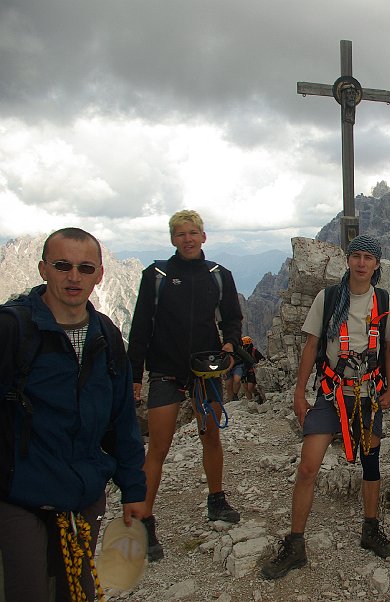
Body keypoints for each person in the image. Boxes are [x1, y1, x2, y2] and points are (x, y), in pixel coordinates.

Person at [0, 228, 147, 601]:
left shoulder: (107, 336)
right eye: (63, 265)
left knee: (77, 591)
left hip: (81, 494)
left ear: (99, 274)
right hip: (19, 494)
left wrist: (133, 489)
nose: (73, 277)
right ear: (42, 269)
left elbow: (121, 422)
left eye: (85, 268)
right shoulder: (12, 330)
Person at [261, 235, 390, 580]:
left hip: (368, 392)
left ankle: (370, 529)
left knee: (371, 463)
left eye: (369, 257)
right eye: (357, 256)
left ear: (377, 264)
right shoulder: (329, 298)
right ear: (348, 261)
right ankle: (295, 544)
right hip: (331, 392)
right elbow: (312, 345)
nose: (362, 263)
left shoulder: (383, 300)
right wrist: (298, 392)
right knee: (309, 466)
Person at [127, 210, 243, 562]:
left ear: (204, 237)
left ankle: (217, 500)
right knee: (158, 447)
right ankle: (145, 521)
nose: (188, 239)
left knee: (211, 435)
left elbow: (233, 318)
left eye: (193, 233)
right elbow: (141, 325)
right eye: (181, 234)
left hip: (205, 369)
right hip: (165, 371)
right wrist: (134, 375)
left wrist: (231, 345)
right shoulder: (158, 275)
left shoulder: (219, 276)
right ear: (173, 239)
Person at [239, 336, 266, 402]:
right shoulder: (243, 352)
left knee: (250, 387)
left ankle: (257, 395)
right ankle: (251, 400)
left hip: (252, 371)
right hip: (246, 371)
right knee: (246, 388)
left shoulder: (254, 351)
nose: (244, 347)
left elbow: (262, 359)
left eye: (245, 345)